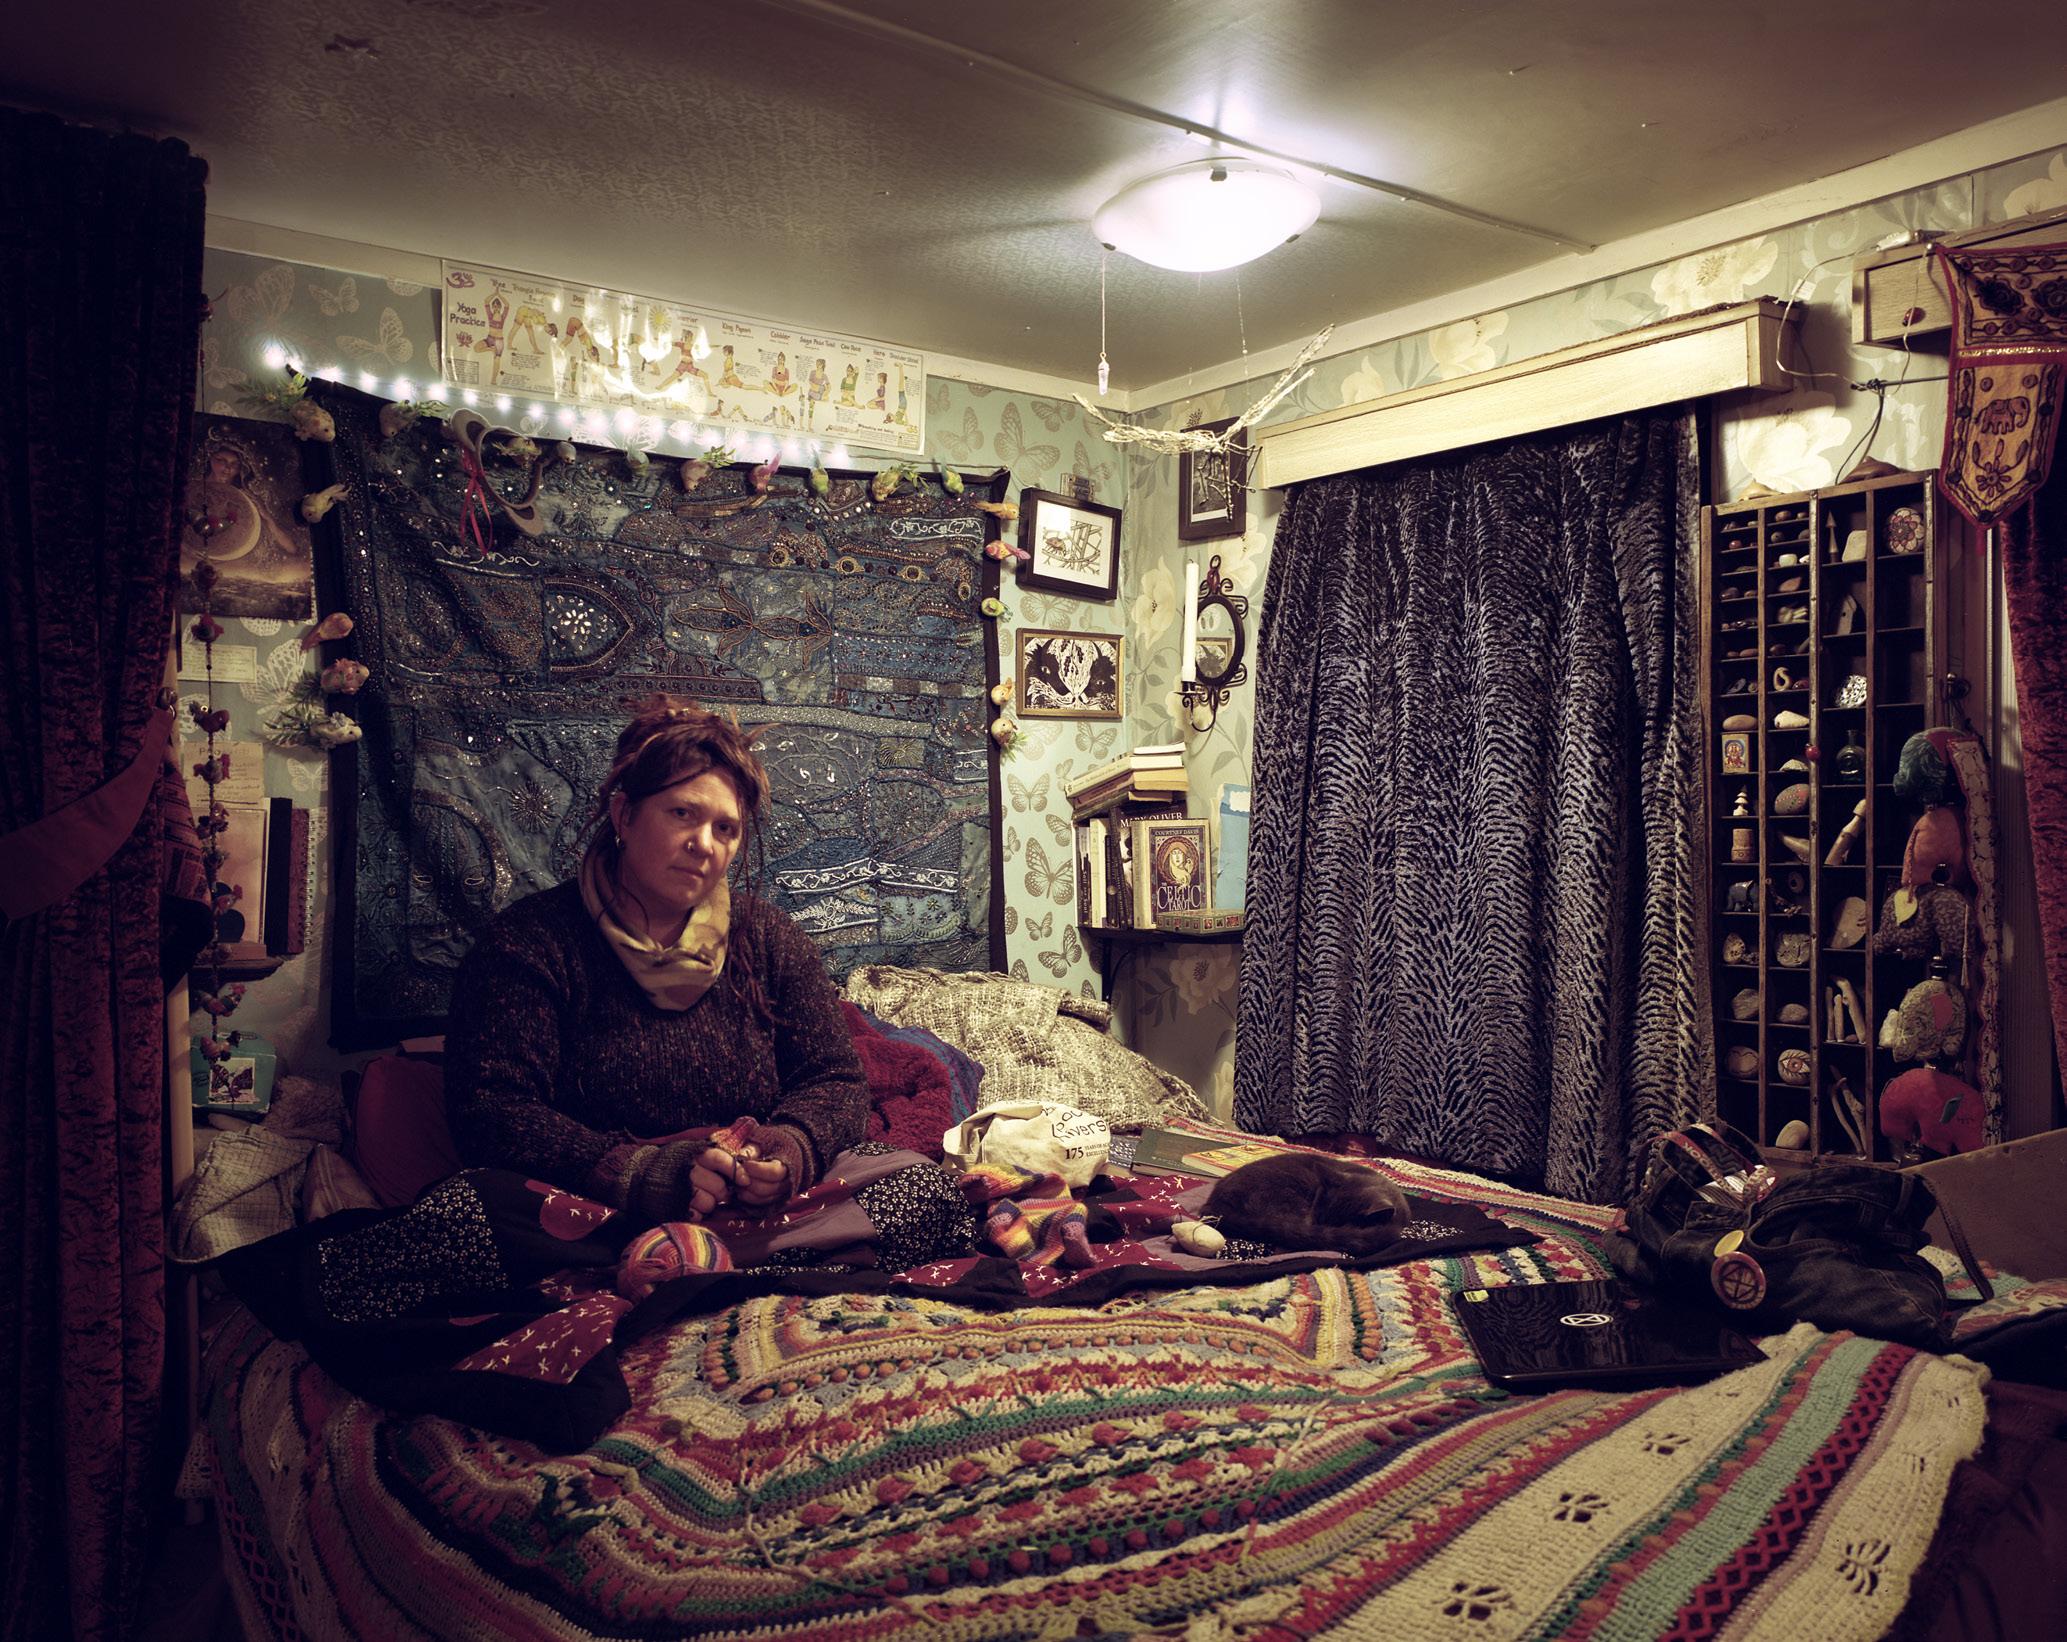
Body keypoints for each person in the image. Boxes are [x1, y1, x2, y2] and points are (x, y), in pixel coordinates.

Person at [445, 697, 865, 1226]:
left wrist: (789, 1150)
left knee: (921, 1189)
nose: (703, 845)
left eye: (726, 829)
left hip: (751, 1209)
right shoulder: (530, 943)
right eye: (682, 813)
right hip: (600, 1210)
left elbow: (837, 1079)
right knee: (465, 1216)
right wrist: (643, 1174)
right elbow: (491, 1109)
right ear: (625, 815)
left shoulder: (769, 937)